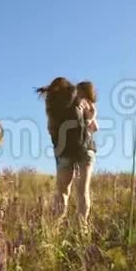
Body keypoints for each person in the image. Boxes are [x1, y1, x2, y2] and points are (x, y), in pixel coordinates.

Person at [35, 77, 97, 230]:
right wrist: (89, 119)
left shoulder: (52, 106)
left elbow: (50, 130)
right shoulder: (82, 100)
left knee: (62, 193)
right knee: (83, 192)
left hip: (63, 152)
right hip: (85, 149)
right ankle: (82, 230)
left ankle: (55, 230)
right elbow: (94, 127)